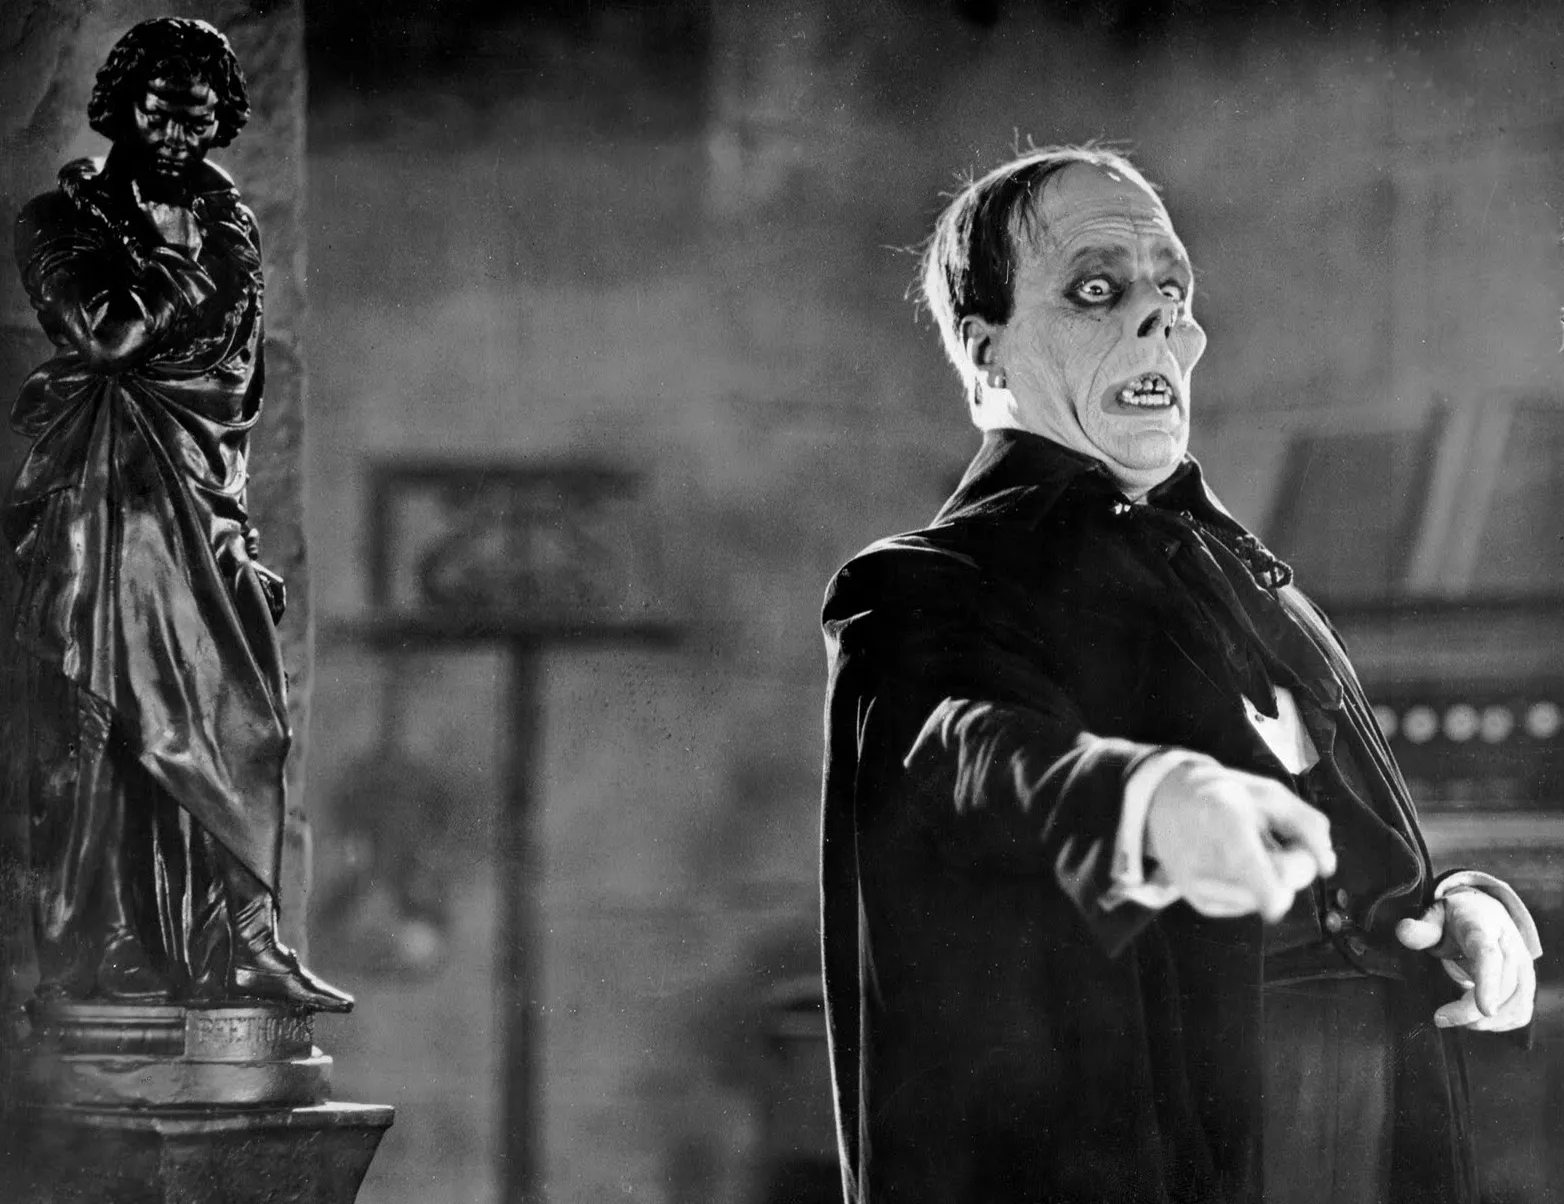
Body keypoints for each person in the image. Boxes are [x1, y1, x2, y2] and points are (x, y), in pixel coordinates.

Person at [818, 146, 1541, 1204]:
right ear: (984, 352)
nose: (1168, 321)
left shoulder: (1248, 579)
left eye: (1173, 288)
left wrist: (1459, 914)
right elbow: (968, 746)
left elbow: (1348, 868)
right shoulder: (923, 585)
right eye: (1097, 289)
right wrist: (1151, 802)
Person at [5, 18, 350, 1012]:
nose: (178, 134)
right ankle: (105, 952)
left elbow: (235, 388)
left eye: (200, 118)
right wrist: (176, 261)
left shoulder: (230, 221)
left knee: (250, 726)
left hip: (202, 505)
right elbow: (106, 334)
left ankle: (240, 943)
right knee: (108, 734)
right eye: (161, 108)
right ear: (121, 102)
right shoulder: (59, 219)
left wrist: (233, 526)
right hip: (107, 501)